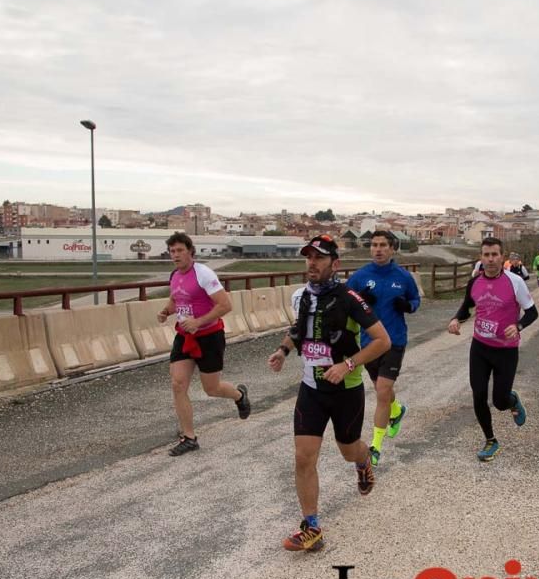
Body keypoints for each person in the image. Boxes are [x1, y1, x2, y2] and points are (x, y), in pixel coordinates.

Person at [268, 235, 392, 551]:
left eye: (319, 258)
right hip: (311, 388)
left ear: (334, 264)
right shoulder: (303, 297)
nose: (312, 262)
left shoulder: (350, 298)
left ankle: (363, 462)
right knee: (303, 457)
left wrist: (348, 364)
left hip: (345, 391)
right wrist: (283, 350)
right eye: (308, 257)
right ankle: (311, 527)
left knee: (348, 450)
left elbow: (382, 341)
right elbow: (299, 329)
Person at [157, 232, 251, 456]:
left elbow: (225, 305)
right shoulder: (175, 275)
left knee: (212, 388)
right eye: (172, 251)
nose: (176, 255)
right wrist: (165, 311)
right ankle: (189, 437)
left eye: (180, 250)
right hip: (185, 336)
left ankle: (239, 395)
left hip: (209, 336)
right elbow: (175, 298)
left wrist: (198, 322)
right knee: (178, 384)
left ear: (190, 251)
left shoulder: (204, 274)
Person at [448, 237, 538, 462]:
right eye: (486, 255)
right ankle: (490, 440)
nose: (490, 259)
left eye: (494, 254)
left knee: (499, 401)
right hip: (480, 347)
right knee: (478, 394)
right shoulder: (475, 281)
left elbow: (532, 312)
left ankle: (511, 400)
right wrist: (456, 319)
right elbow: (467, 307)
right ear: (481, 257)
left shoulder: (515, 281)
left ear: (502, 256)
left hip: (506, 350)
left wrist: (517, 326)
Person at [347, 230, 421, 466]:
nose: (378, 249)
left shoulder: (403, 276)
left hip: (395, 340)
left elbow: (415, 300)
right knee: (383, 391)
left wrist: (407, 305)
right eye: (374, 245)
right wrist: (359, 299)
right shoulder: (360, 276)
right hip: (369, 343)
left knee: (381, 390)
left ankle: (375, 447)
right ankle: (397, 410)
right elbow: (345, 301)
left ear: (392, 249)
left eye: (383, 245)